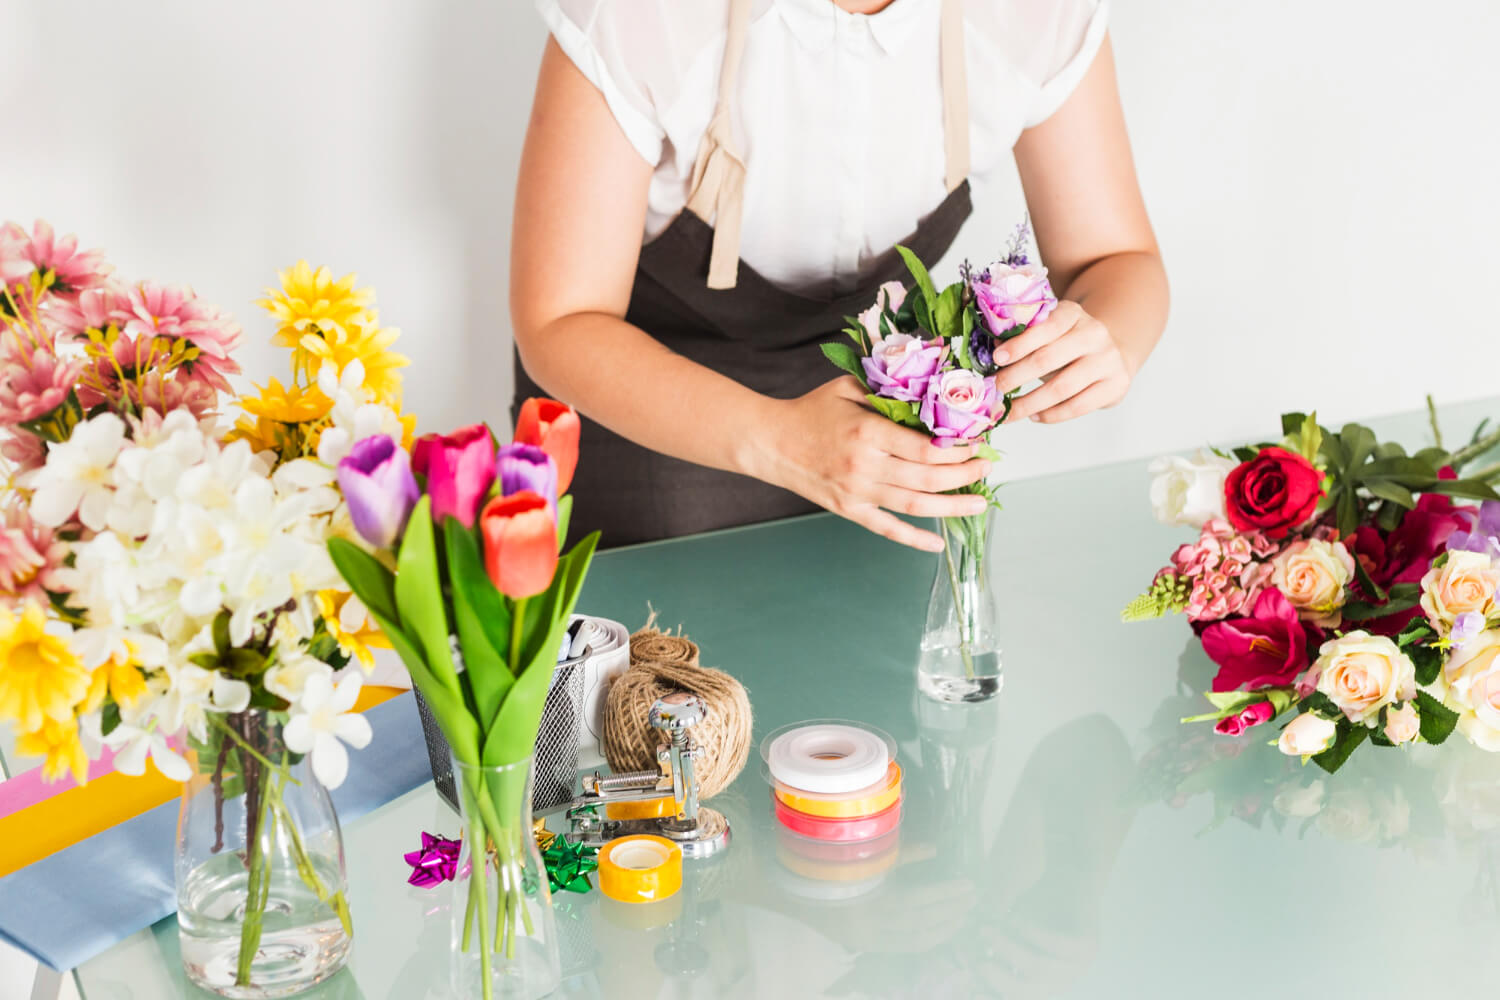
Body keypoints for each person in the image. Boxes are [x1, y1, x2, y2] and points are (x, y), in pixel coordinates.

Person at [510, 0, 1168, 550]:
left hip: (889, 435)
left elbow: (1117, 259)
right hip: (653, 422)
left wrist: (1110, 337)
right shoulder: (644, 14)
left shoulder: (1033, 14)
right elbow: (558, 321)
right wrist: (779, 439)